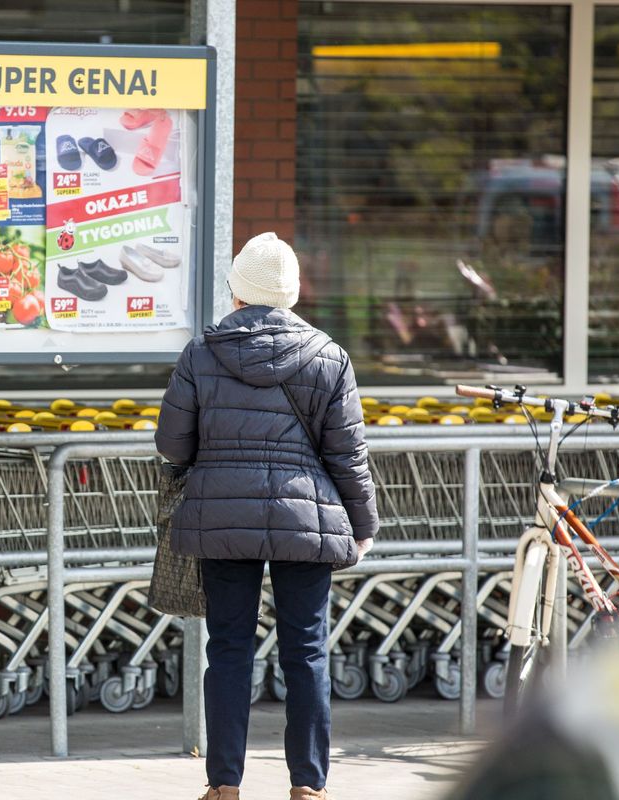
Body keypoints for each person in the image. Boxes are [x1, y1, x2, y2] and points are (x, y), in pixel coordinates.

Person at [155, 232, 379, 800]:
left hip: (221, 521)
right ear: (292, 294)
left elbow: (172, 446)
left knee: (228, 648)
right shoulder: (329, 356)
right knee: (305, 652)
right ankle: (308, 786)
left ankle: (224, 785)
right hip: (307, 521)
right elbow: (347, 455)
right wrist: (364, 524)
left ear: (236, 291)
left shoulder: (201, 353)